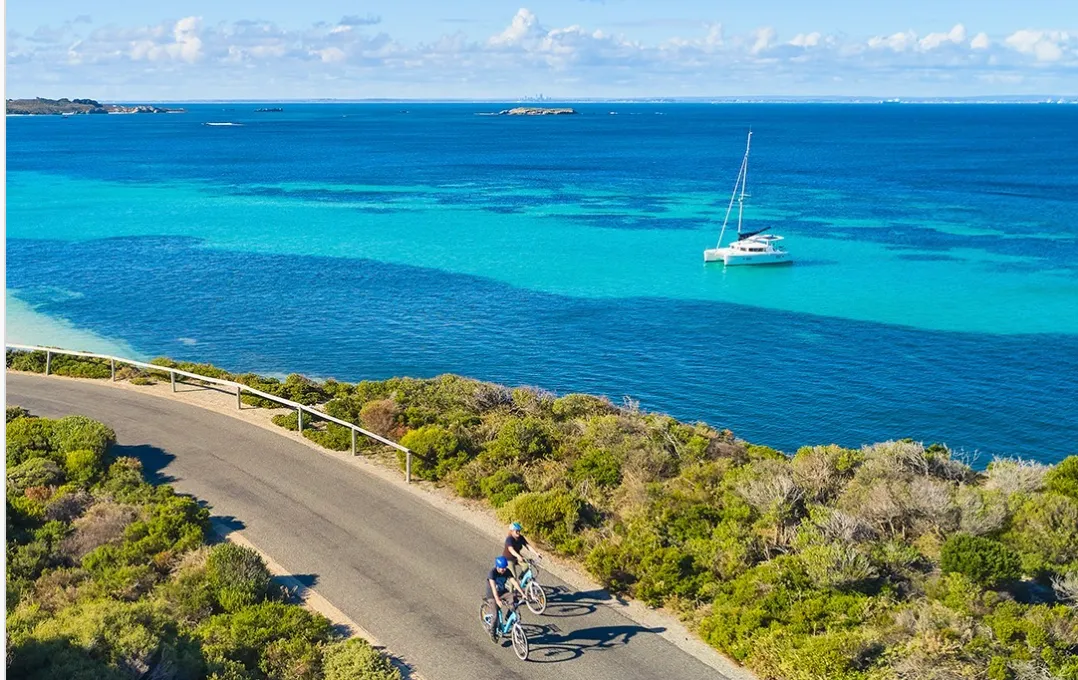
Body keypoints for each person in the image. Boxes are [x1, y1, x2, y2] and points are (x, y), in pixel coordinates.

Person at [484, 556, 526, 640]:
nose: (503, 570)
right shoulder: (492, 573)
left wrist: (522, 593)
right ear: (497, 567)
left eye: (504, 568)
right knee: (495, 616)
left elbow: (514, 582)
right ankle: (492, 633)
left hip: (502, 592)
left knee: (514, 598)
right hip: (492, 595)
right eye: (501, 568)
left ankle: (509, 615)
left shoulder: (507, 571)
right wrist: (497, 600)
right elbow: (493, 588)